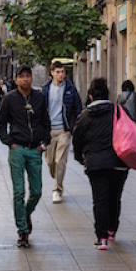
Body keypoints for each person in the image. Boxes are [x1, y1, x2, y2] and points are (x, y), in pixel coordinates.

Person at [0, 65, 51, 248]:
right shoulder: (9, 99)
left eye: (28, 76)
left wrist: (43, 144)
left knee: (36, 191)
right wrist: (9, 142)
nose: (26, 79)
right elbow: (1, 123)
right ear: (17, 79)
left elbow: (46, 122)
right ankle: (22, 231)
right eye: (22, 76)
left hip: (35, 149)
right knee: (19, 191)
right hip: (17, 149)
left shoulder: (39, 98)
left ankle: (24, 214)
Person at [72, 78, 129, 251]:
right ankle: (112, 229)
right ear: (108, 95)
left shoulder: (85, 116)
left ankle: (102, 237)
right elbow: (130, 131)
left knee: (100, 199)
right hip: (119, 161)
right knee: (115, 197)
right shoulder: (119, 111)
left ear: (90, 96)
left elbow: (77, 139)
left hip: (95, 163)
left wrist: (80, 157)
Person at [41, 61, 83, 204]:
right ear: (52, 72)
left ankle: (57, 190)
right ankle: (56, 176)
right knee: (50, 161)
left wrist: (74, 127)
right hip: (49, 131)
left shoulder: (70, 88)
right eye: (58, 72)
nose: (61, 74)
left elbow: (78, 108)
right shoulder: (45, 89)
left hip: (64, 130)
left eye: (62, 72)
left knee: (60, 161)